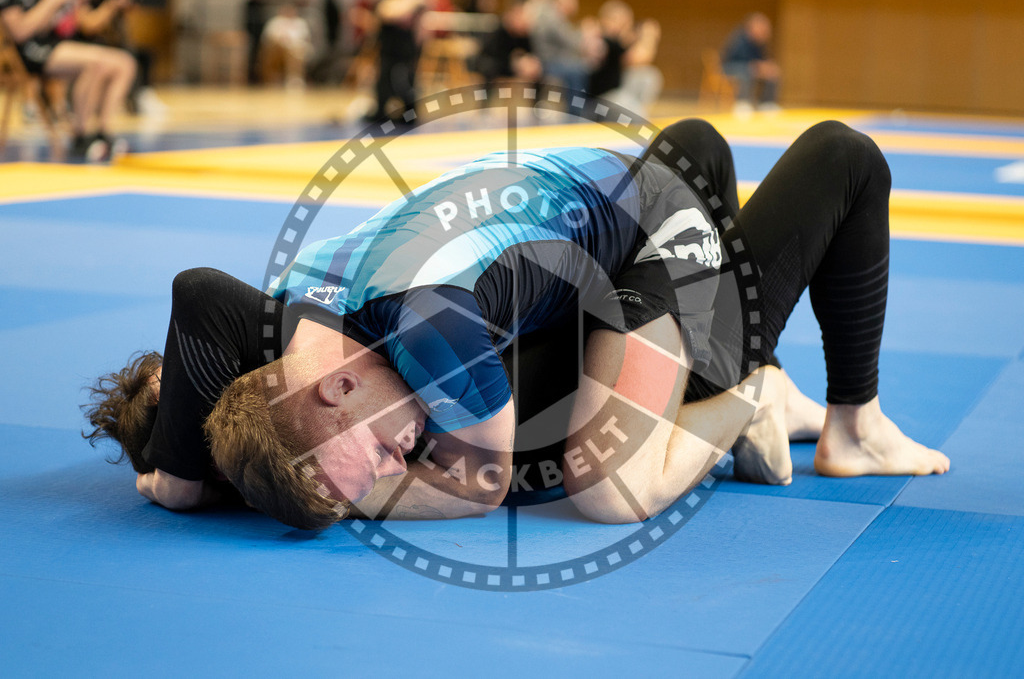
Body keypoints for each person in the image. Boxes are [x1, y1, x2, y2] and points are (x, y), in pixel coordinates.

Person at [86, 118, 950, 531]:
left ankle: (815, 412)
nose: (409, 453)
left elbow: (197, 296)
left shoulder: (409, 329)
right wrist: (203, 470)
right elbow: (204, 310)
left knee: (611, 489)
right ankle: (782, 398)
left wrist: (181, 471)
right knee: (694, 156)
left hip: (649, 227)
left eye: (386, 454)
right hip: (593, 253)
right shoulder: (308, 368)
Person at [0, 0, 136, 160]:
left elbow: (77, 25)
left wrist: (66, 8)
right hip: (26, 51)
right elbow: (19, 33)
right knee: (95, 63)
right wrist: (54, 1)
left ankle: (103, 133)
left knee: (125, 63)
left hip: (50, 42)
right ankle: (81, 137)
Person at [587, 0, 661, 117]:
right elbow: (637, 58)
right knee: (630, 107)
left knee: (648, 75)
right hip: (598, 101)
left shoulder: (616, 42)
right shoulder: (603, 39)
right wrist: (649, 36)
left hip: (616, 95)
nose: (625, 27)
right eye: (622, 22)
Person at [721, 11, 780, 114]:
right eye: (762, 28)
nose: (765, 32)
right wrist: (758, 67)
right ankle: (742, 103)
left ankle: (766, 104)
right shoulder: (739, 39)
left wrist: (767, 67)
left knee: (772, 72)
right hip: (731, 67)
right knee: (747, 71)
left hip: (750, 67)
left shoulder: (760, 43)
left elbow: (761, 60)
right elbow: (737, 59)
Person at [260, 1, 312, 88]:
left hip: (295, 49)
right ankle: (274, 78)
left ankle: (294, 78)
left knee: (296, 51)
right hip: (277, 48)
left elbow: (305, 39)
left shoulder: (300, 23)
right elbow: (267, 38)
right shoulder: (275, 22)